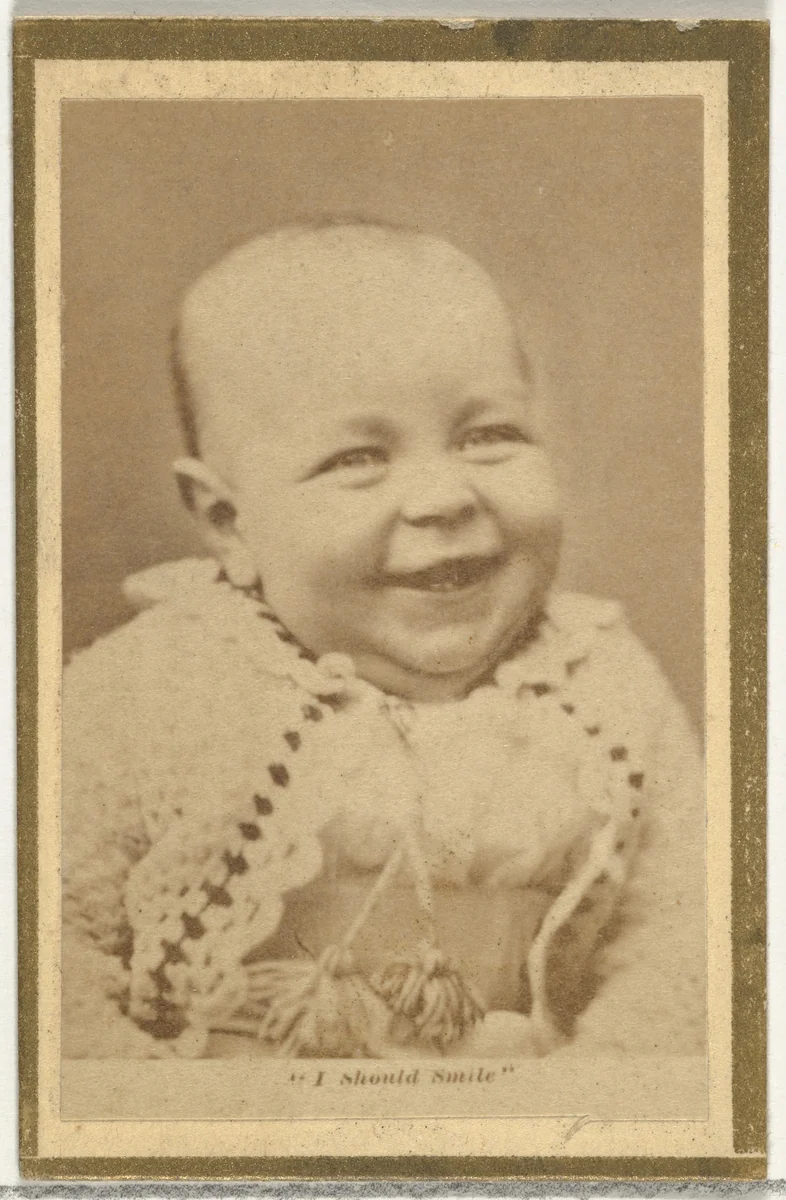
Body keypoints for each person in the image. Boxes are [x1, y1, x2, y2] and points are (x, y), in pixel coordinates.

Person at [62, 221, 705, 1061]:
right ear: (229, 522)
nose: (444, 496)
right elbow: (45, 954)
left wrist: (597, 1092)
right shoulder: (146, 689)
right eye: (358, 458)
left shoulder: (604, 683)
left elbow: (692, 934)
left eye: (489, 435)